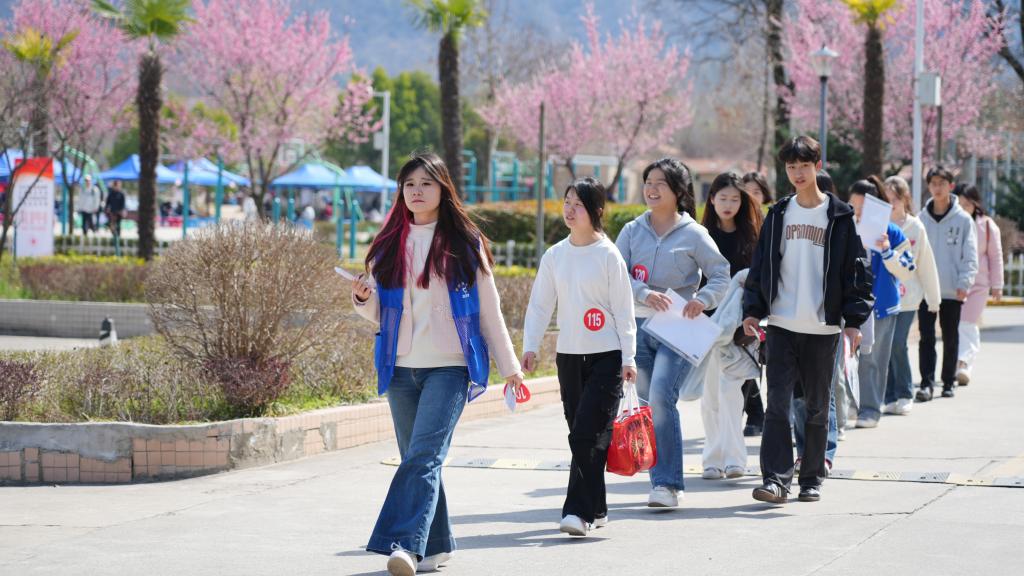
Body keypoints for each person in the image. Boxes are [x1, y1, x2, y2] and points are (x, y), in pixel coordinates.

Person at [350, 152, 523, 576]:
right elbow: (381, 314)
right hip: (399, 366)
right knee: (418, 458)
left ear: (443, 189)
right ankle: (438, 545)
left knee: (423, 458)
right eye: (409, 184)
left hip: (450, 365)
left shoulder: (464, 243)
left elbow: (488, 310)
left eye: (426, 183)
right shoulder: (389, 244)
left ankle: (405, 546)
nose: (417, 191)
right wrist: (361, 298)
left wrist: (510, 367)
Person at [742, 136, 873, 504]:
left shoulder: (840, 216)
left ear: (817, 166)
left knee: (816, 406)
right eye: (791, 167)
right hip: (781, 324)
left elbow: (857, 271)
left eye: (803, 166)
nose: (797, 173)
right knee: (778, 405)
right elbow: (761, 266)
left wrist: (854, 321)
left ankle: (811, 477)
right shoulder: (779, 214)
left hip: (822, 327)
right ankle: (775, 480)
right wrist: (752, 310)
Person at [523, 177, 637, 536]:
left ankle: (577, 513)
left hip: (607, 355)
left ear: (596, 211)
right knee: (583, 432)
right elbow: (540, 305)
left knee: (586, 434)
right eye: (567, 202)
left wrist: (629, 357)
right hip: (569, 356)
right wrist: (530, 345)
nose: (570, 210)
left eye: (579, 205)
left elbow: (624, 311)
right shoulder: (555, 255)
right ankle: (598, 507)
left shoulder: (608, 255)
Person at [615, 158, 730, 508]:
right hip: (638, 326)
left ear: (678, 191)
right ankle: (659, 481)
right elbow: (616, 274)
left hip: (677, 328)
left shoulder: (694, 234)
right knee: (648, 404)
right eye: (648, 182)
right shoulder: (632, 230)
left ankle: (667, 485)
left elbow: (721, 274)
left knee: (662, 396)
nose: (651, 189)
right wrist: (641, 292)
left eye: (660, 183)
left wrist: (703, 299)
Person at [698, 171, 763, 480]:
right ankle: (712, 459)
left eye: (734, 199)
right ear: (712, 199)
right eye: (722, 198)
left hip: (739, 331)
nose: (728, 204)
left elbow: (758, 280)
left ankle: (735, 460)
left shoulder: (752, 236)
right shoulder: (701, 236)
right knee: (711, 396)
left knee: (732, 393)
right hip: (706, 326)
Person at [845, 177, 917, 429]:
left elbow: (908, 268)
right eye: (853, 205)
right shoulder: (845, 228)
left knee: (873, 359)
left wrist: (887, 251)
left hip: (882, 305)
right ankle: (851, 405)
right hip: (850, 304)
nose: (857, 211)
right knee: (847, 358)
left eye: (863, 206)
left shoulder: (892, 232)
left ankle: (870, 409)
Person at [916, 167, 978, 401]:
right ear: (929, 186)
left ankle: (948, 381)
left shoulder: (963, 220)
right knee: (926, 338)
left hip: (953, 290)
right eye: (933, 183)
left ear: (951, 186)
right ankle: (926, 384)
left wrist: (965, 283)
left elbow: (970, 255)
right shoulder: (921, 219)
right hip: (926, 291)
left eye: (942, 183)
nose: (937, 188)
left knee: (950, 337)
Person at [882, 176, 941, 415]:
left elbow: (926, 264)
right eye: (886, 199)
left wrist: (933, 299)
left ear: (905, 198)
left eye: (895, 199)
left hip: (908, 298)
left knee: (898, 343)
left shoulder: (915, 227)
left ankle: (905, 393)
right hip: (883, 296)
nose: (891, 204)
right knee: (885, 346)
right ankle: (889, 396)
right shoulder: (879, 226)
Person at [956, 184, 1004, 385]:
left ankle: (964, 363)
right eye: (959, 204)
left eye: (967, 204)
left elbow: (995, 256)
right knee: (956, 324)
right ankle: (958, 362)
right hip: (954, 283)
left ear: (975, 204)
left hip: (979, 285)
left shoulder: (987, 226)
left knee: (967, 323)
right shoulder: (953, 222)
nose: (963, 208)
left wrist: (997, 284)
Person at [739, 174, 772, 435]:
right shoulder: (737, 224)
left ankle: (758, 415)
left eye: (757, 192)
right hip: (738, 301)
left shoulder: (772, 221)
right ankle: (755, 413)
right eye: (746, 192)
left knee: (758, 359)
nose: (751, 197)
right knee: (744, 360)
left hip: (764, 303)